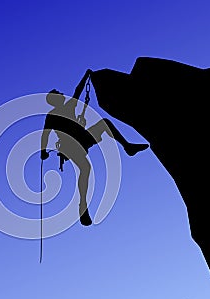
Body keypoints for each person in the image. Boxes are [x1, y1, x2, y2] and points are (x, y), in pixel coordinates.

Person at [41, 69, 149, 226]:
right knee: (85, 169)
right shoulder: (52, 115)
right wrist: (44, 151)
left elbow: (77, 90)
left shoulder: (68, 106)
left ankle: (127, 146)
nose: (62, 93)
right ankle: (82, 207)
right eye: (58, 93)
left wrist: (86, 76)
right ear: (55, 99)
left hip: (81, 138)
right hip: (70, 144)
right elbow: (45, 134)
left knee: (105, 123)